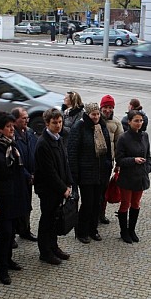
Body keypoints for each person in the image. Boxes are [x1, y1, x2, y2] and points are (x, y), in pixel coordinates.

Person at [0, 114, 30, 284]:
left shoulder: (11, 143)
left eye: (12, 126)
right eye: (8, 126)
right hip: (2, 198)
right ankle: (1, 268)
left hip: (16, 194)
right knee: (4, 233)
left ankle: (8, 260)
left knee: (12, 232)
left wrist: (27, 176)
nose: (11, 129)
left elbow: (18, 166)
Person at [67, 103, 112, 244]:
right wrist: (74, 175)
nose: (96, 117)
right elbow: (72, 152)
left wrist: (109, 165)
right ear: (87, 114)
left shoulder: (102, 126)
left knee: (97, 203)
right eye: (93, 114)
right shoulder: (79, 128)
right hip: (85, 173)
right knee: (87, 203)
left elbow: (108, 149)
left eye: (98, 114)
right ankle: (82, 232)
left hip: (100, 172)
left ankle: (93, 230)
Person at [34, 109, 73, 265]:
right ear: (47, 124)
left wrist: (69, 182)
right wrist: (63, 188)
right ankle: (45, 252)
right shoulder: (43, 143)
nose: (58, 125)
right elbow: (49, 172)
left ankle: (54, 247)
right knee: (47, 221)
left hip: (59, 188)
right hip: (49, 190)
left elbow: (65, 162)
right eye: (55, 123)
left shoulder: (58, 138)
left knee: (54, 220)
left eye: (60, 122)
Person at [115, 110, 151, 244]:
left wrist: (147, 169)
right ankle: (124, 231)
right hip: (128, 177)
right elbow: (119, 159)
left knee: (136, 204)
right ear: (129, 122)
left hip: (141, 176)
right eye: (136, 121)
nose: (139, 123)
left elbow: (148, 155)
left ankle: (132, 230)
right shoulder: (123, 138)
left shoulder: (145, 136)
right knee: (125, 204)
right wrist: (133, 160)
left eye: (141, 120)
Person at [11, 107, 38, 242]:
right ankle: (12, 234)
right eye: (23, 118)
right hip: (19, 178)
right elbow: (16, 162)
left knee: (27, 205)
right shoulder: (12, 137)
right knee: (17, 206)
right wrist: (28, 175)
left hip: (29, 177)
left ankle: (25, 230)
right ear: (15, 121)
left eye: (27, 118)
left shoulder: (30, 133)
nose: (27, 120)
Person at [98, 95, 123, 224]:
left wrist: (118, 163)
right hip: (94, 161)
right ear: (101, 107)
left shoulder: (116, 123)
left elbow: (120, 144)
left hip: (108, 161)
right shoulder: (95, 119)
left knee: (104, 189)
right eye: (105, 107)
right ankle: (92, 213)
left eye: (110, 107)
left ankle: (101, 213)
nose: (107, 110)